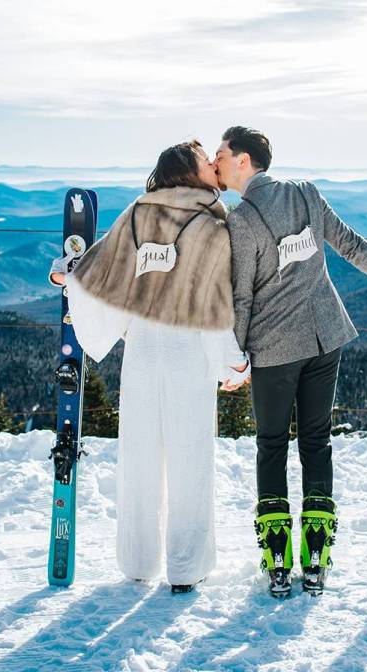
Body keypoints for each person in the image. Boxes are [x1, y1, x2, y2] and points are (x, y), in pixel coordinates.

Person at [214, 126, 367, 597]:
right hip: (325, 336)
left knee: (271, 444)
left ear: (245, 161)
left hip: (273, 349)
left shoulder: (241, 220)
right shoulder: (307, 194)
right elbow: (349, 245)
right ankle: (316, 558)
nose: (217, 161)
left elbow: (242, 297)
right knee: (316, 442)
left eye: (222, 154)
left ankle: (277, 562)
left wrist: (236, 360)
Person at [49, 140, 250, 594]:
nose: (212, 166)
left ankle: (138, 562)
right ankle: (185, 566)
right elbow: (214, 299)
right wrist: (232, 362)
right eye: (205, 161)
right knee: (190, 459)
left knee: (138, 459)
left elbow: (99, 267)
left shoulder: (140, 214)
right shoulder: (212, 223)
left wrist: (64, 272)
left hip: (141, 352)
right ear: (190, 173)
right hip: (188, 352)